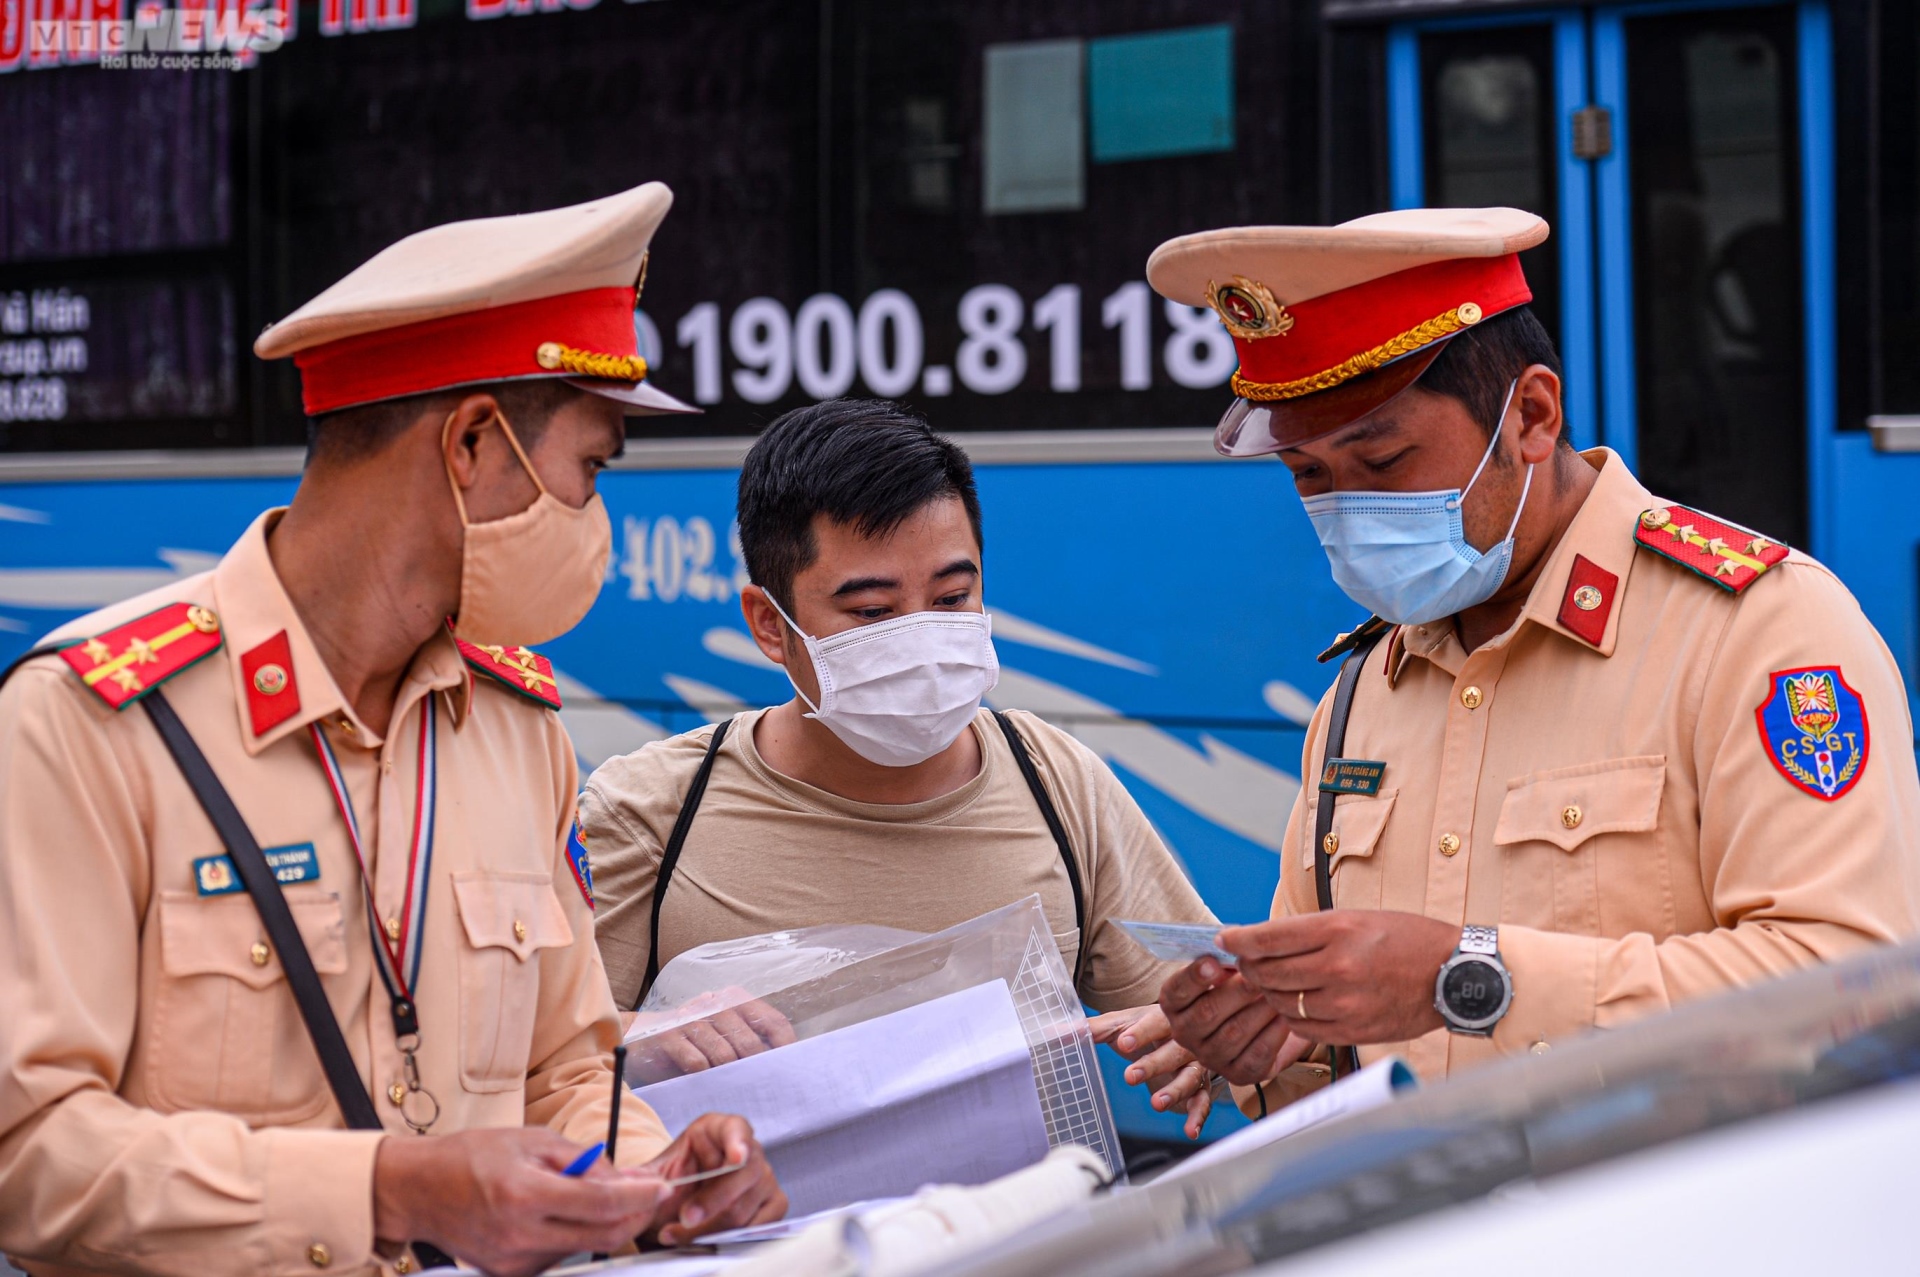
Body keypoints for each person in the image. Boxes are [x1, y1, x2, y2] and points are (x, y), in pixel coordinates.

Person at [0, 183, 784, 1277]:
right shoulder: (89, 720)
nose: (593, 515)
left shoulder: (518, 728)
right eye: (590, 468)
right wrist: (387, 1188)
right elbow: (30, 1152)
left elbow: (565, 1070)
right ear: (471, 442)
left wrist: (655, 1181)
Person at [1144, 207, 1920, 1115]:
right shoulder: (1362, 693)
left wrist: (1468, 975)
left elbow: (1853, 996)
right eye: (1308, 476)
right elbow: (1344, 1065)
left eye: (1384, 460)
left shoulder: (1759, 630)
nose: (1347, 511)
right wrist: (1264, 1047)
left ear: (1533, 416)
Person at [580, 398, 1220, 1134]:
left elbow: (1211, 1020)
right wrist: (640, 1038)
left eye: (953, 597)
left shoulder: (1056, 782)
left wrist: (1206, 1042)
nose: (923, 637)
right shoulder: (653, 810)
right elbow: (535, 1062)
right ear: (769, 625)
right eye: (874, 612)